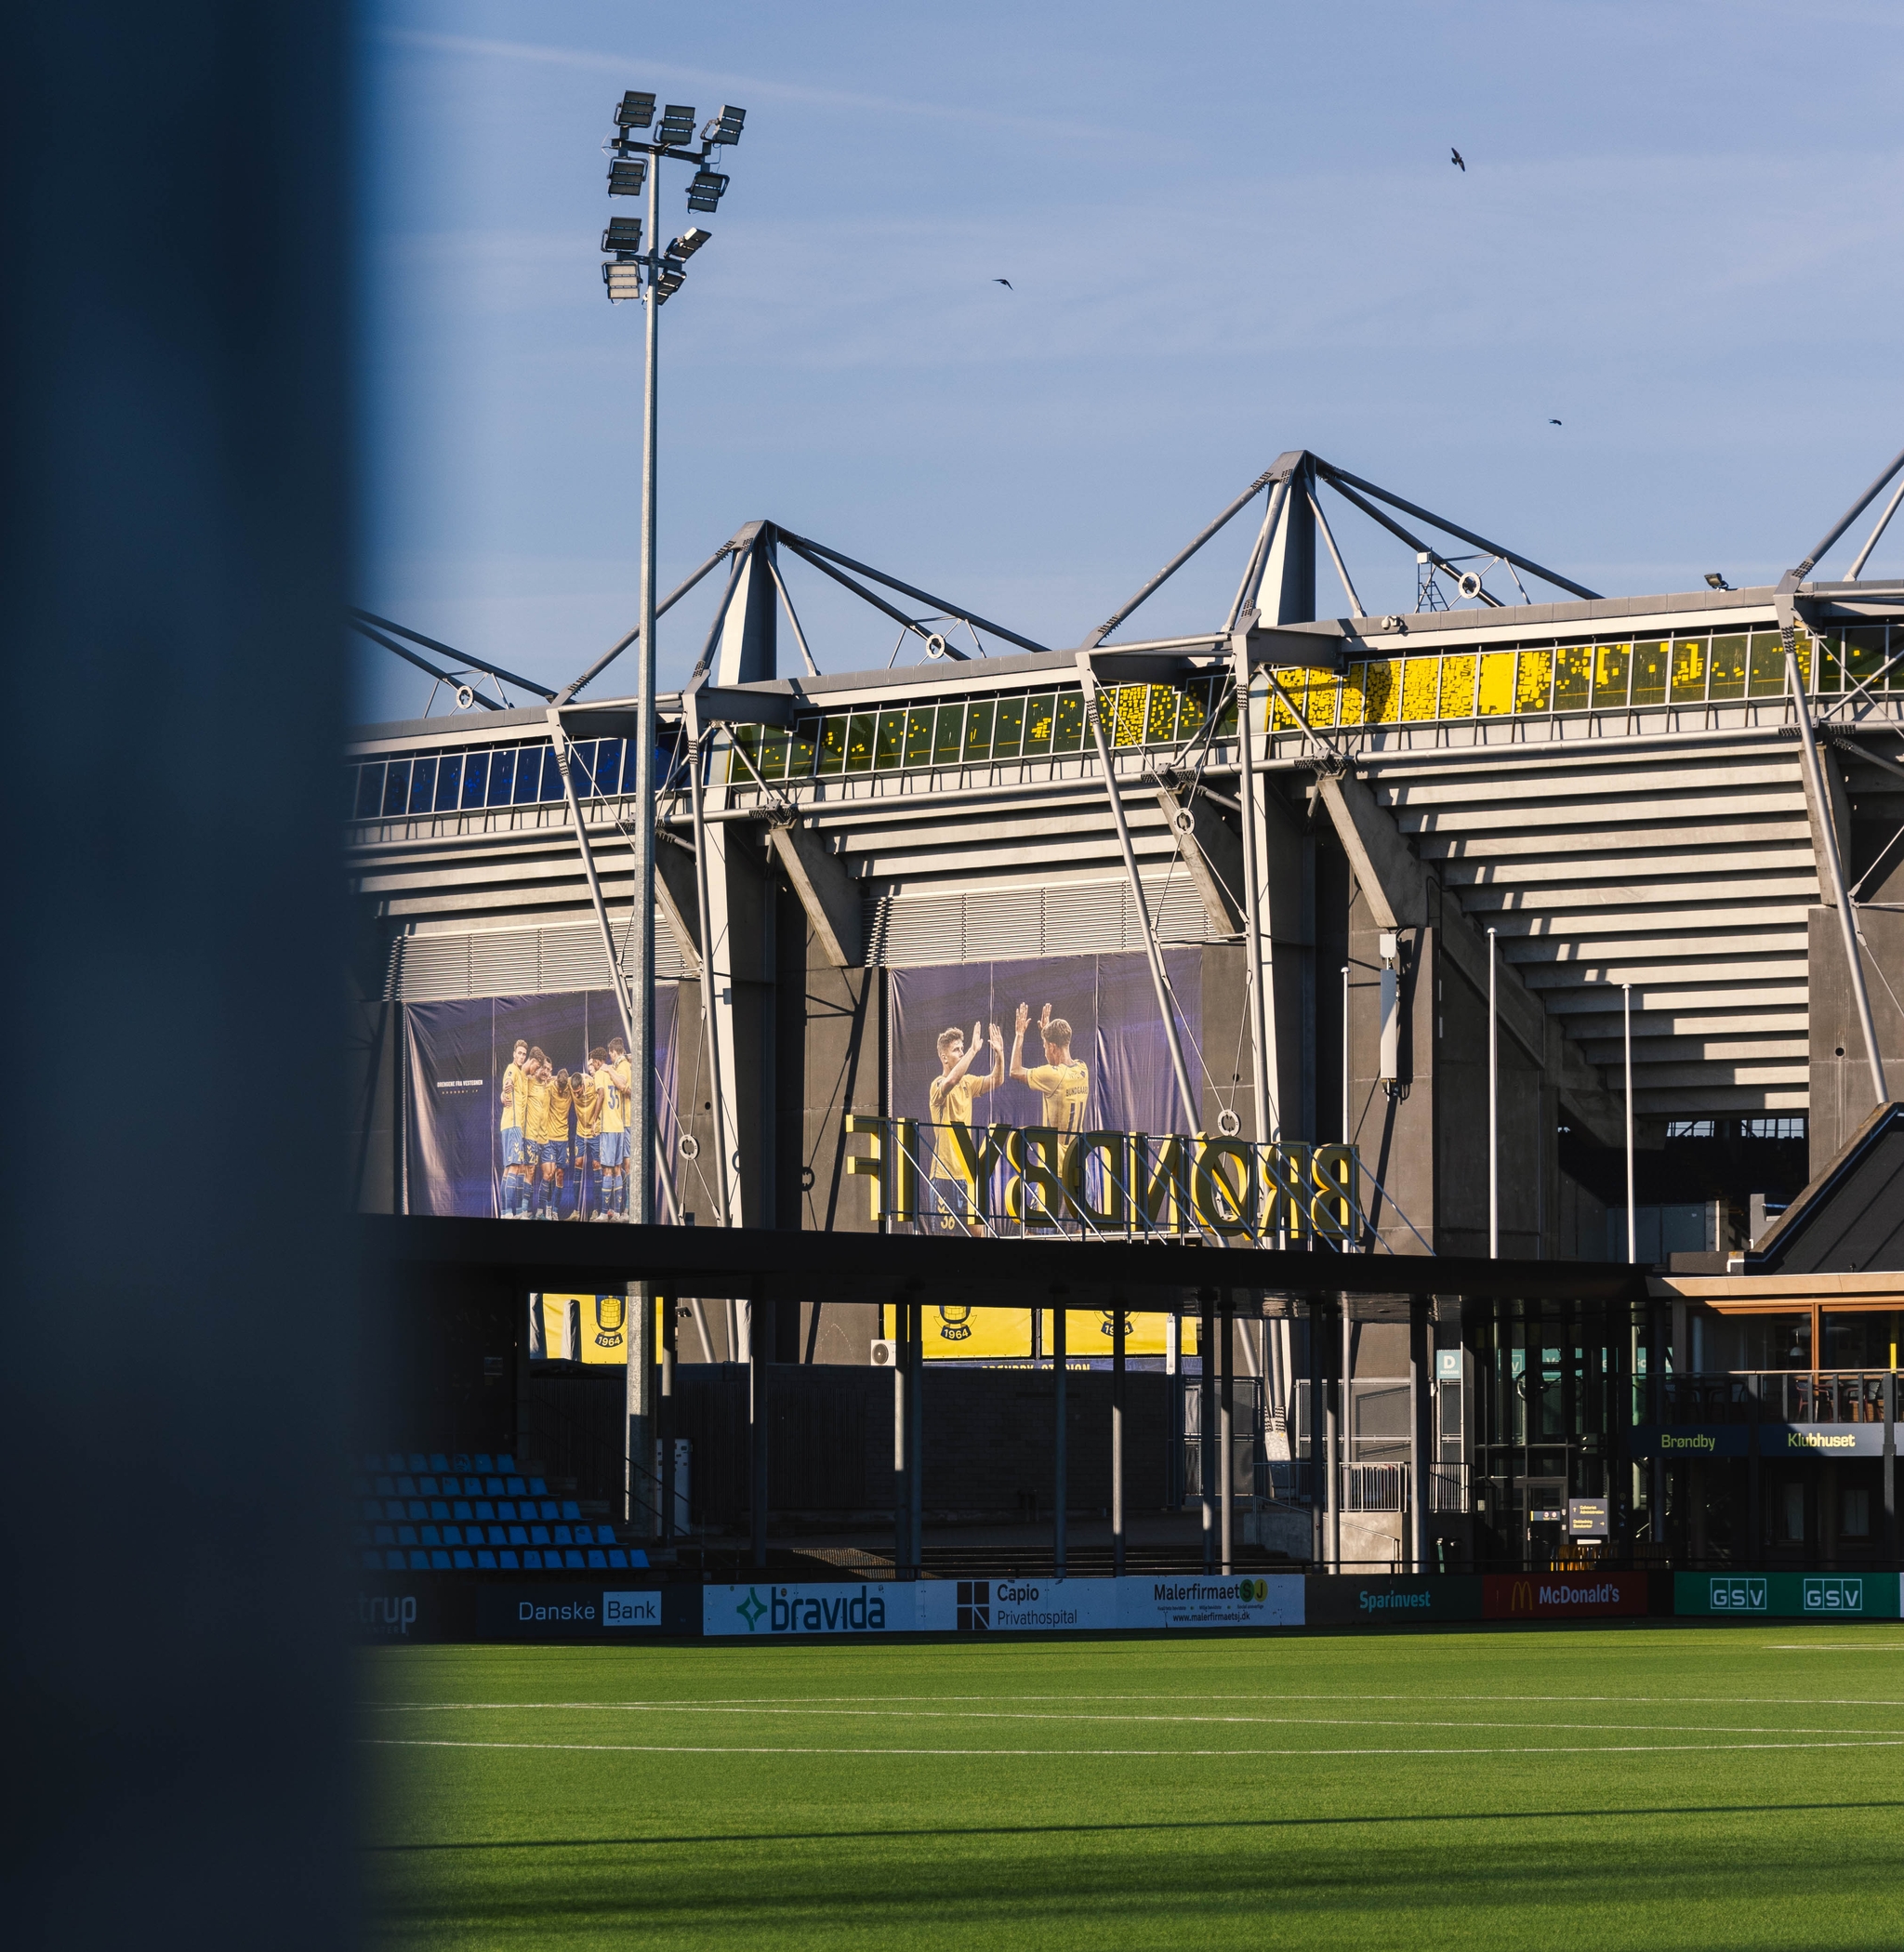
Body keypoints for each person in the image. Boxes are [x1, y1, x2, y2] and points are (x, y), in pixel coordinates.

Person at [1012, 1003, 1090, 1220]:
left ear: (1053, 1047)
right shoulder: (1083, 1069)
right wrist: (1046, 1033)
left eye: (1046, 1046)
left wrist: (1019, 1035)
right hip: (1080, 1166)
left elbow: (1014, 1070)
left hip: (1054, 1170)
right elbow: (1057, 1060)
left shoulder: (1054, 1076)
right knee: (1084, 1231)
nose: (1044, 1050)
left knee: (1038, 1231)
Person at [926, 1019, 1002, 1229]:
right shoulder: (937, 1085)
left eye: (962, 1048)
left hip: (968, 1173)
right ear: (944, 1057)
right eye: (956, 1050)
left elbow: (997, 1080)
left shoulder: (968, 1082)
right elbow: (950, 1081)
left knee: (979, 1232)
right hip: (944, 1175)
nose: (960, 1053)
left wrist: (1000, 1055)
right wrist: (973, 1050)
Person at [589, 1045, 624, 1221]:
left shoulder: (600, 1074)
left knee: (607, 1171)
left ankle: (603, 1213)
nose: (593, 1066)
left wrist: (594, 1119)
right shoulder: (613, 1072)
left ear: (596, 1061)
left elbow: (601, 1095)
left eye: (593, 1063)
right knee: (618, 1170)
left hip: (609, 1128)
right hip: (619, 1127)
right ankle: (617, 1212)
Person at [498, 1038, 531, 1217]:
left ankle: (511, 1212)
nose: (521, 1056)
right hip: (512, 1124)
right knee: (513, 1167)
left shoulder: (521, 1073)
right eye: (519, 1053)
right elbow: (507, 1082)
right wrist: (504, 1091)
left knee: (512, 1168)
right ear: (513, 1054)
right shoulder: (512, 1069)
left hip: (513, 1125)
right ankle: (506, 1212)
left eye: (524, 1054)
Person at [570, 1057, 604, 1220]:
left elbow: (603, 1095)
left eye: (579, 1091)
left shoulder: (592, 1083)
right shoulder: (571, 1082)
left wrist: (595, 1120)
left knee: (596, 1165)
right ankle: (576, 1210)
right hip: (580, 1131)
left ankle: (597, 1210)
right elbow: (555, 1079)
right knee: (578, 1163)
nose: (577, 1094)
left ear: (583, 1085)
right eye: (575, 1093)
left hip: (594, 1131)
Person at [607, 1035, 635, 1219]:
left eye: (610, 1055)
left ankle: (629, 1209)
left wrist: (609, 1070)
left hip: (626, 1122)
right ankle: (625, 1209)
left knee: (628, 1165)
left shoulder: (622, 1066)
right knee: (624, 1165)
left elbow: (623, 1084)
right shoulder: (623, 1064)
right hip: (622, 1123)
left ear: (613, 1052)